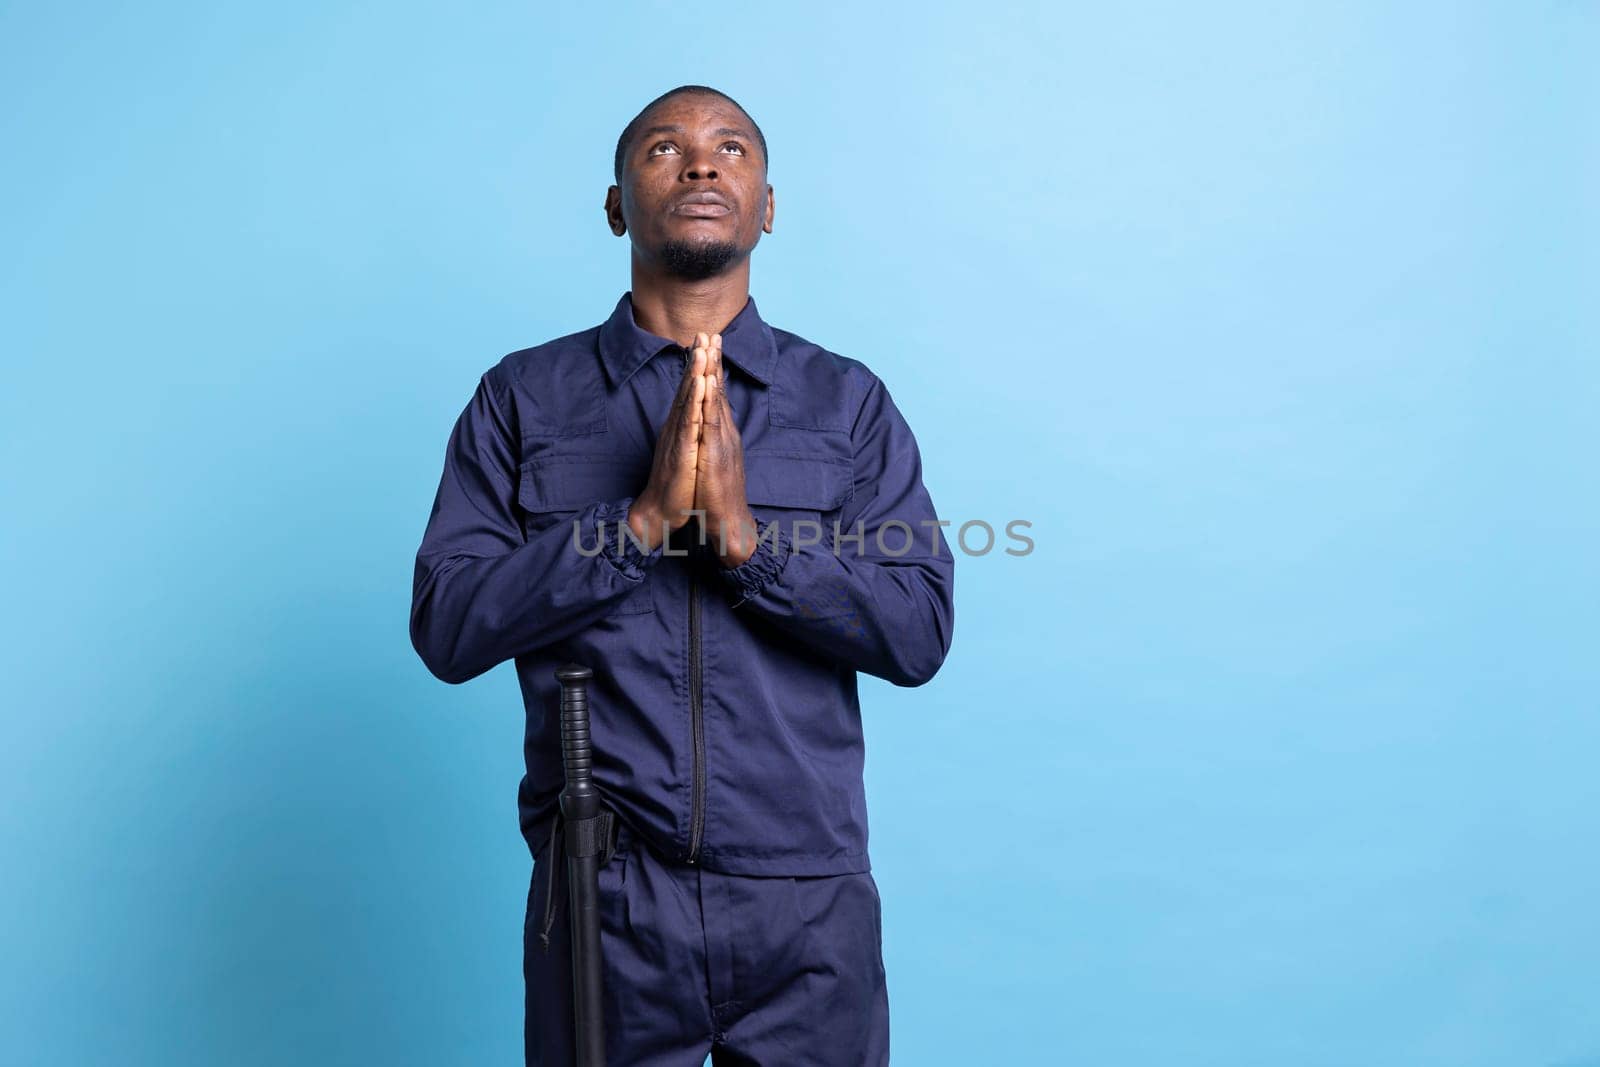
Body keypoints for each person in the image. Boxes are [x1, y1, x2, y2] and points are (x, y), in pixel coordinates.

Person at [409, 83, 956, 1066]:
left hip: (808, 902)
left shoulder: (847, 403)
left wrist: (751, 543)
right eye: (664, 148)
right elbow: (448, 624)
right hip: (606, 895)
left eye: (731, 149)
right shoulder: (523, 399)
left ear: (768, 206)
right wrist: (636, 526)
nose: (701, 164)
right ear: (617, 203)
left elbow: (917, 630)